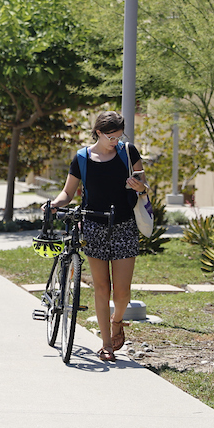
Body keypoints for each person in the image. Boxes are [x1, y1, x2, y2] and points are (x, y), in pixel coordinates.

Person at [46, 111, 147, 362]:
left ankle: (117, 321)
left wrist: (141, 188)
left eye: (119, 136)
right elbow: (68, 193)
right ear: (99, 133)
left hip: (124, 225)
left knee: (122, 292)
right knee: (102, 287)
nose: (115, 141)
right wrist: (54, 204)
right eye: (111, 137)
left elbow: (144, 184)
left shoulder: (128, 152)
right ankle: (105, 345)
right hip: (92, 226)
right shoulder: (82, 158)